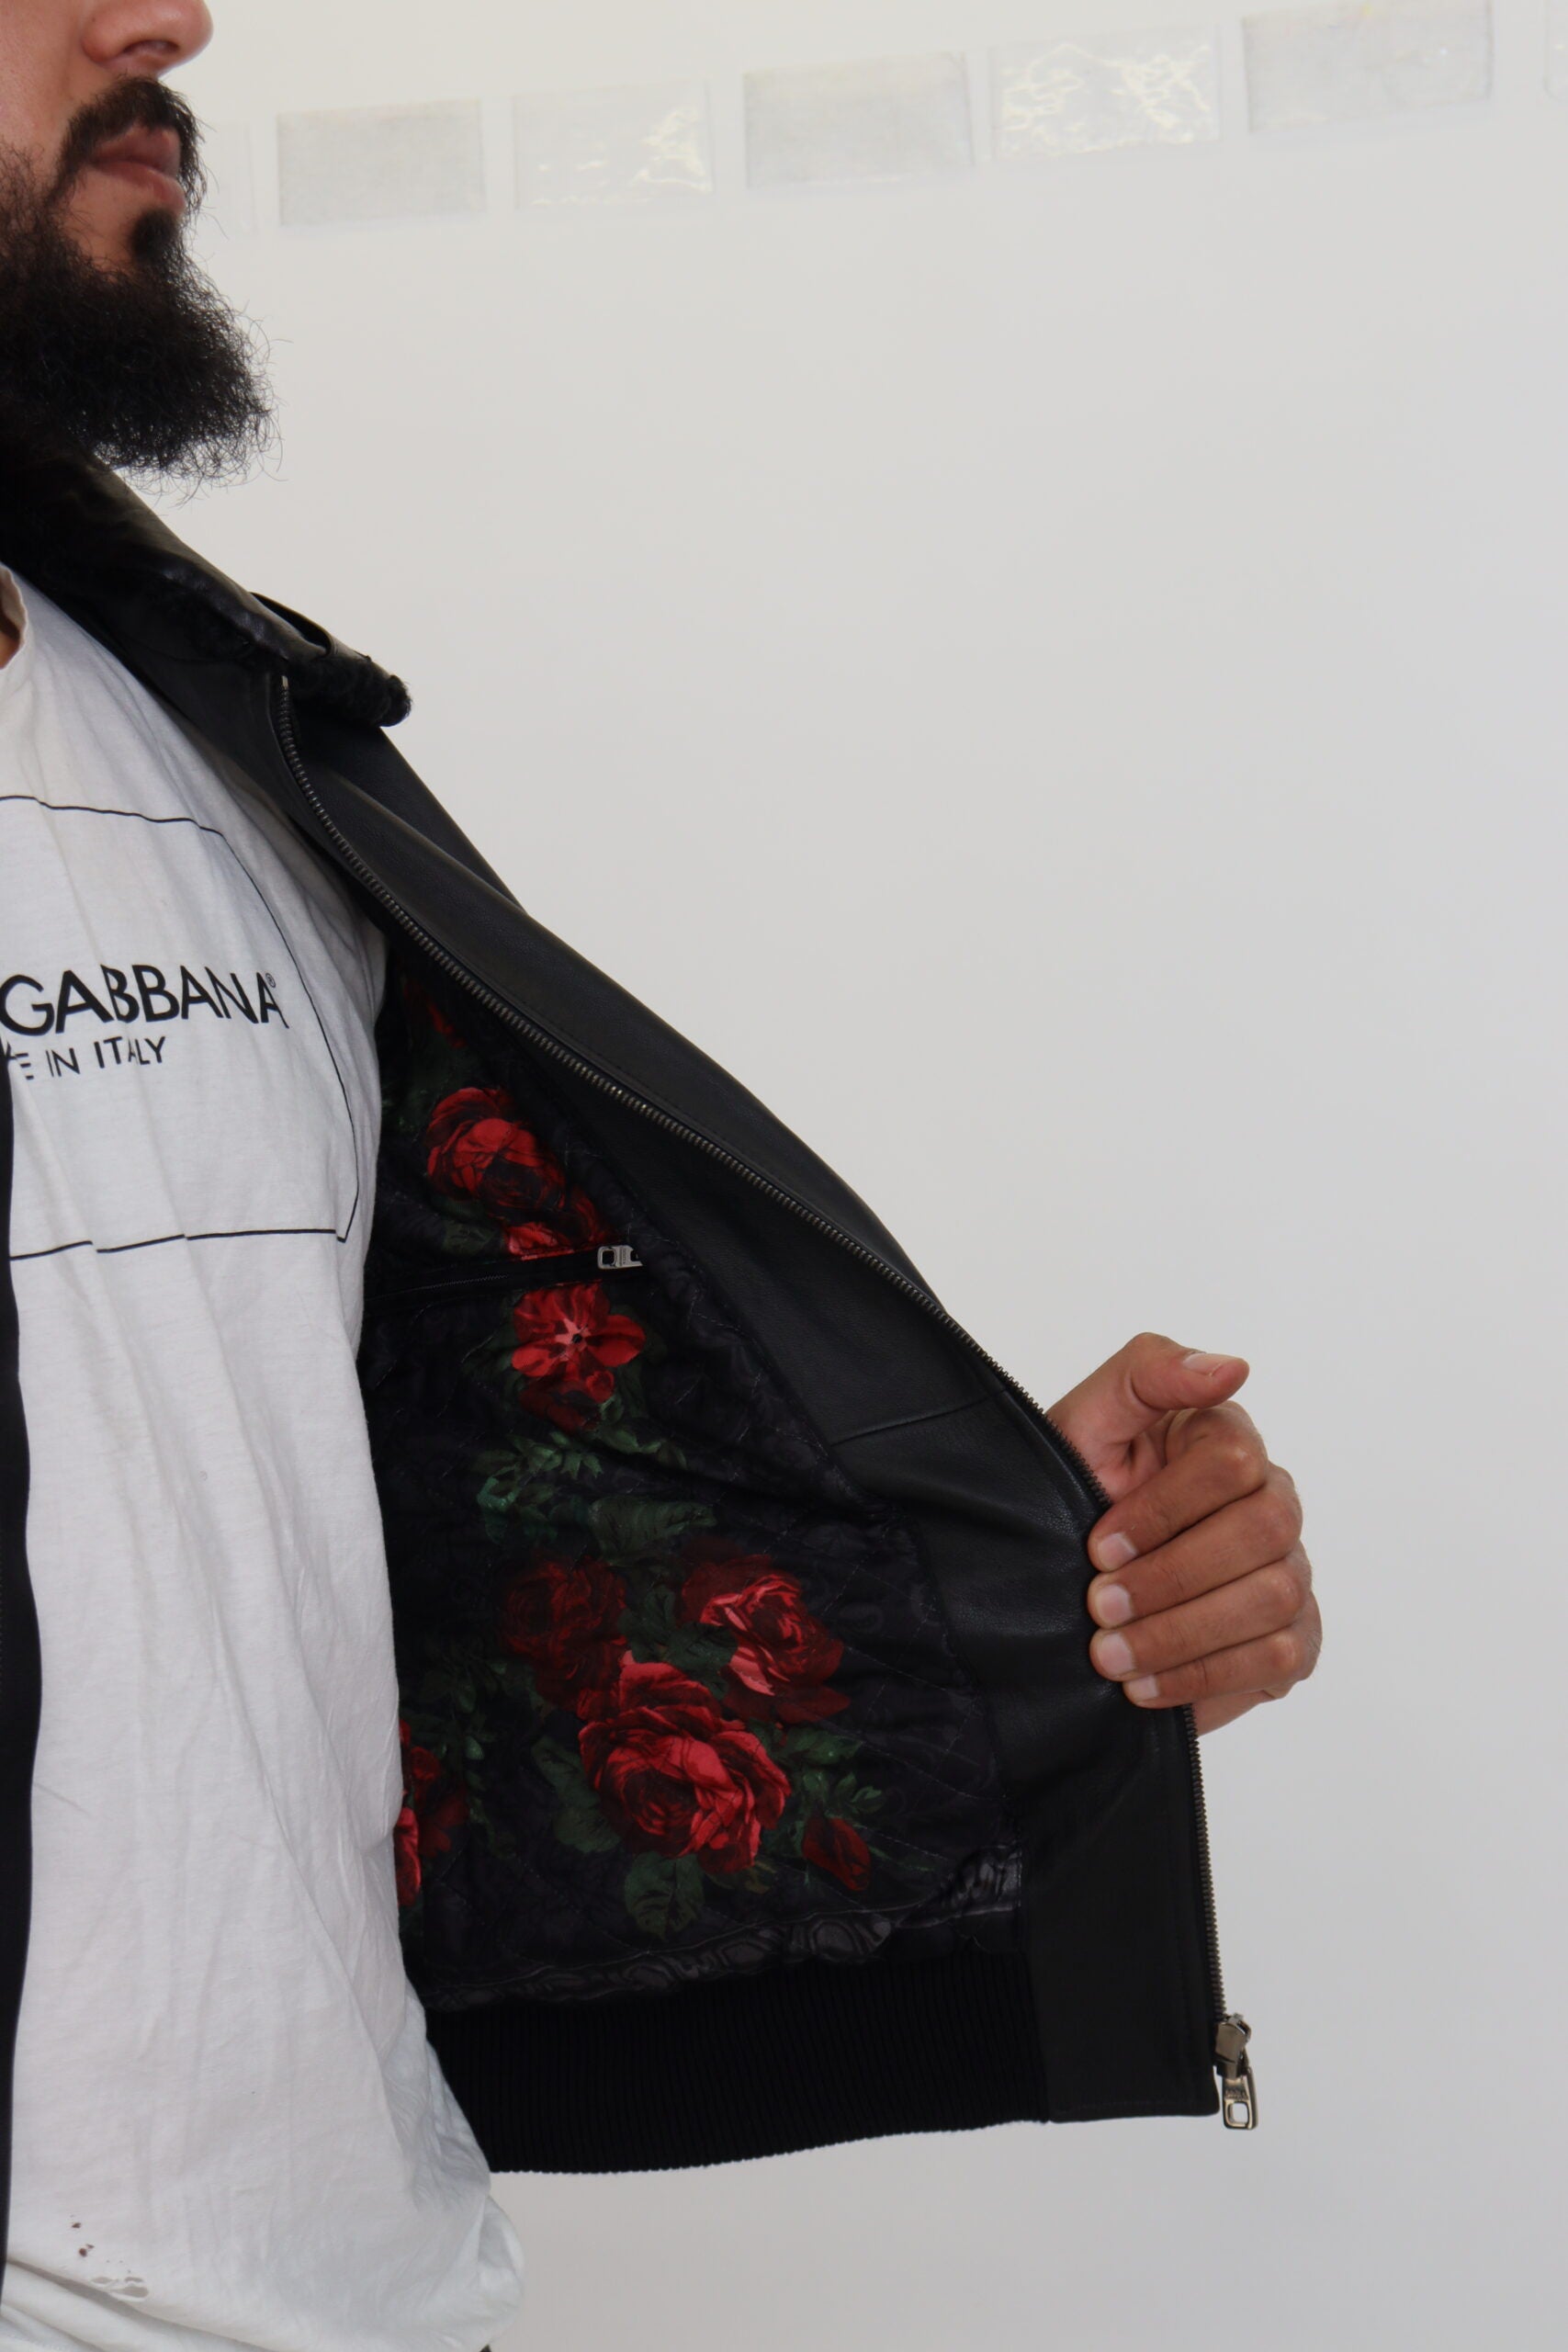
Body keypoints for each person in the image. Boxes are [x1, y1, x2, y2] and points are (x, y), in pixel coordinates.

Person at [0, 6, 1323, 2349]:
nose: (172, 19)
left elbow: (290, 1476)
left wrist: (960, 1565)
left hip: (345, 2271)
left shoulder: (206, 706)